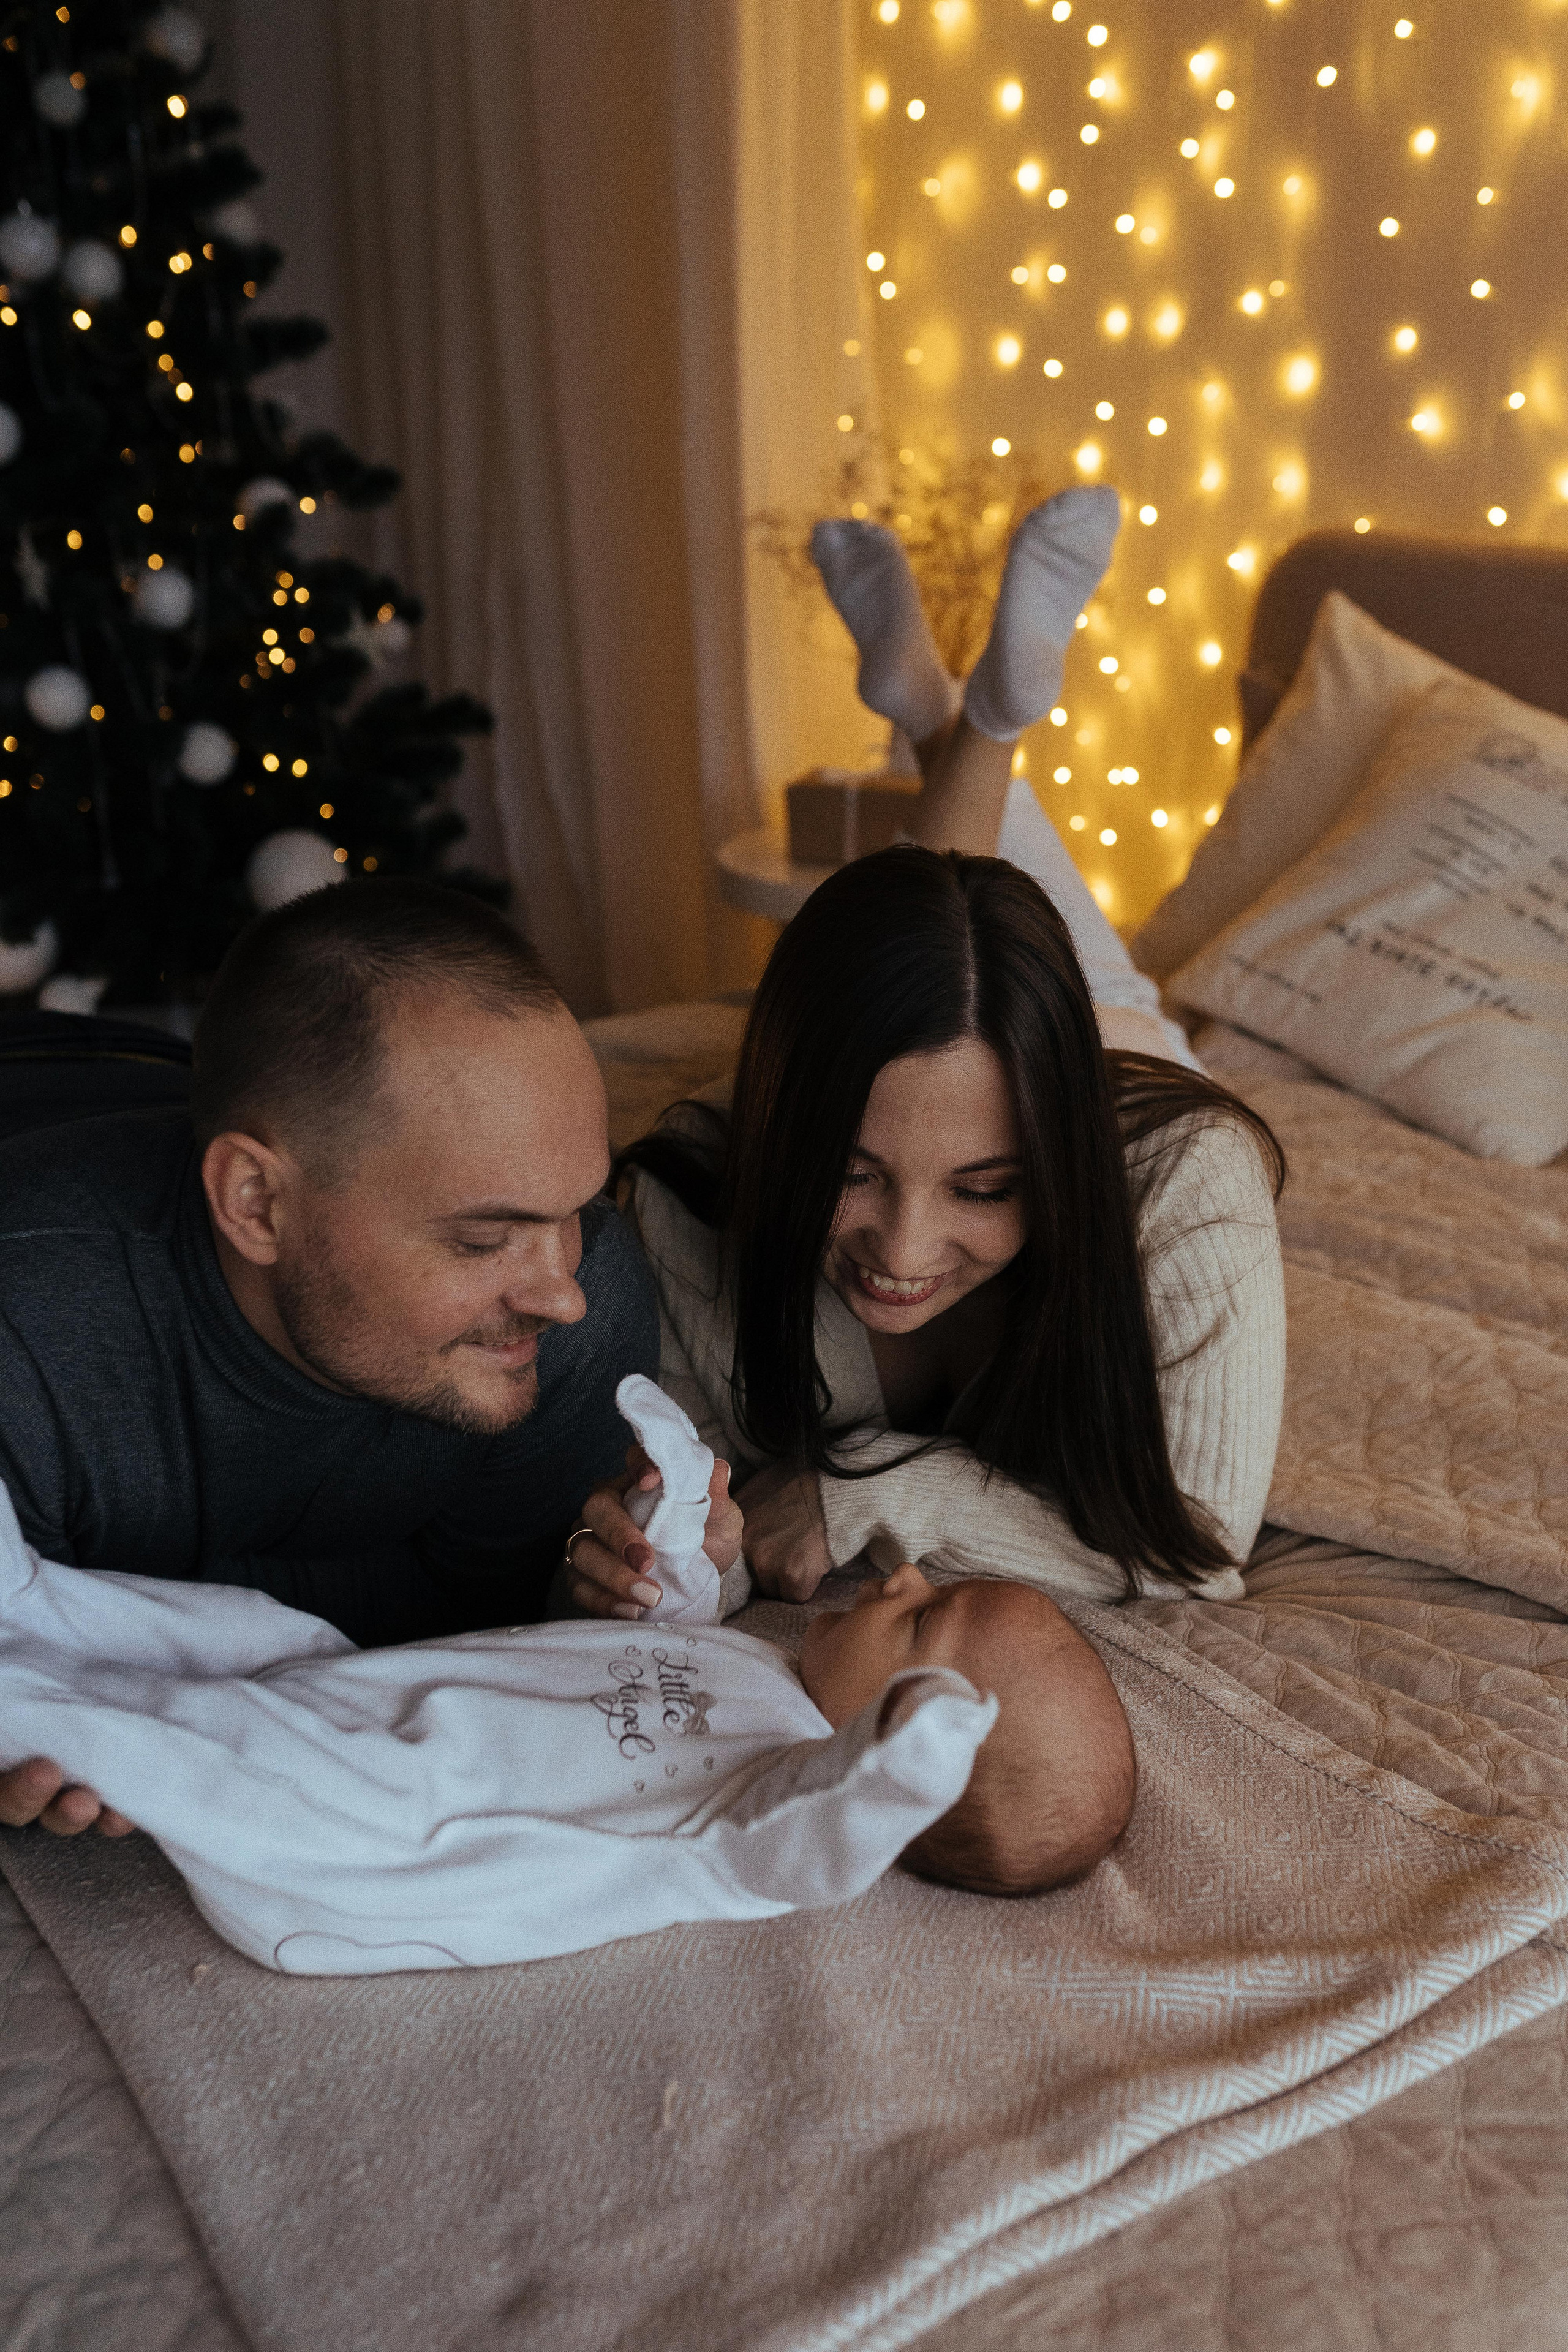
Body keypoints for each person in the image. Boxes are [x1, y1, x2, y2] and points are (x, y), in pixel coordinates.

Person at [565, 489, 1287, 1627]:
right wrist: (670, 1550)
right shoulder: (682, 1201)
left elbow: (1194, 1552)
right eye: (850, 1170)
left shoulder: (1191, 1182)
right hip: (941, 1037)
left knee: (959, 940)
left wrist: (872, 1490)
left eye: (987, 1188)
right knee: (929, 940)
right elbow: (722, 1527)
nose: (900, 1251)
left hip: (1119, 1053)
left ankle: (958, 721)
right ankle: (961, 720)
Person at [0, 880, 739, 1841]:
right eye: (483, 1241)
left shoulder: (578, 1313)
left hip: (164, 1082)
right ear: (258, 1206)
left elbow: (489, 1615)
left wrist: (586, 1580)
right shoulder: (32, 1337)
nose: (562, 1290)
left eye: (574, 1209)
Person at [0, 1379, 1129, 1974]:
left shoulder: (767, 1828)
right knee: (259, 1637)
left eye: (922, 1617)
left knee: (214, 1736)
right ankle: (38, 1601)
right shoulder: (763, 1668)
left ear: (898, 1750)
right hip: (376, 1696)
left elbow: (823, 1836)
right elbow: (666, 1629)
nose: (898, 1574)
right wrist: (672, 1524)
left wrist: (901, 1765)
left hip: (384, 1839)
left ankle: (33, 1700)